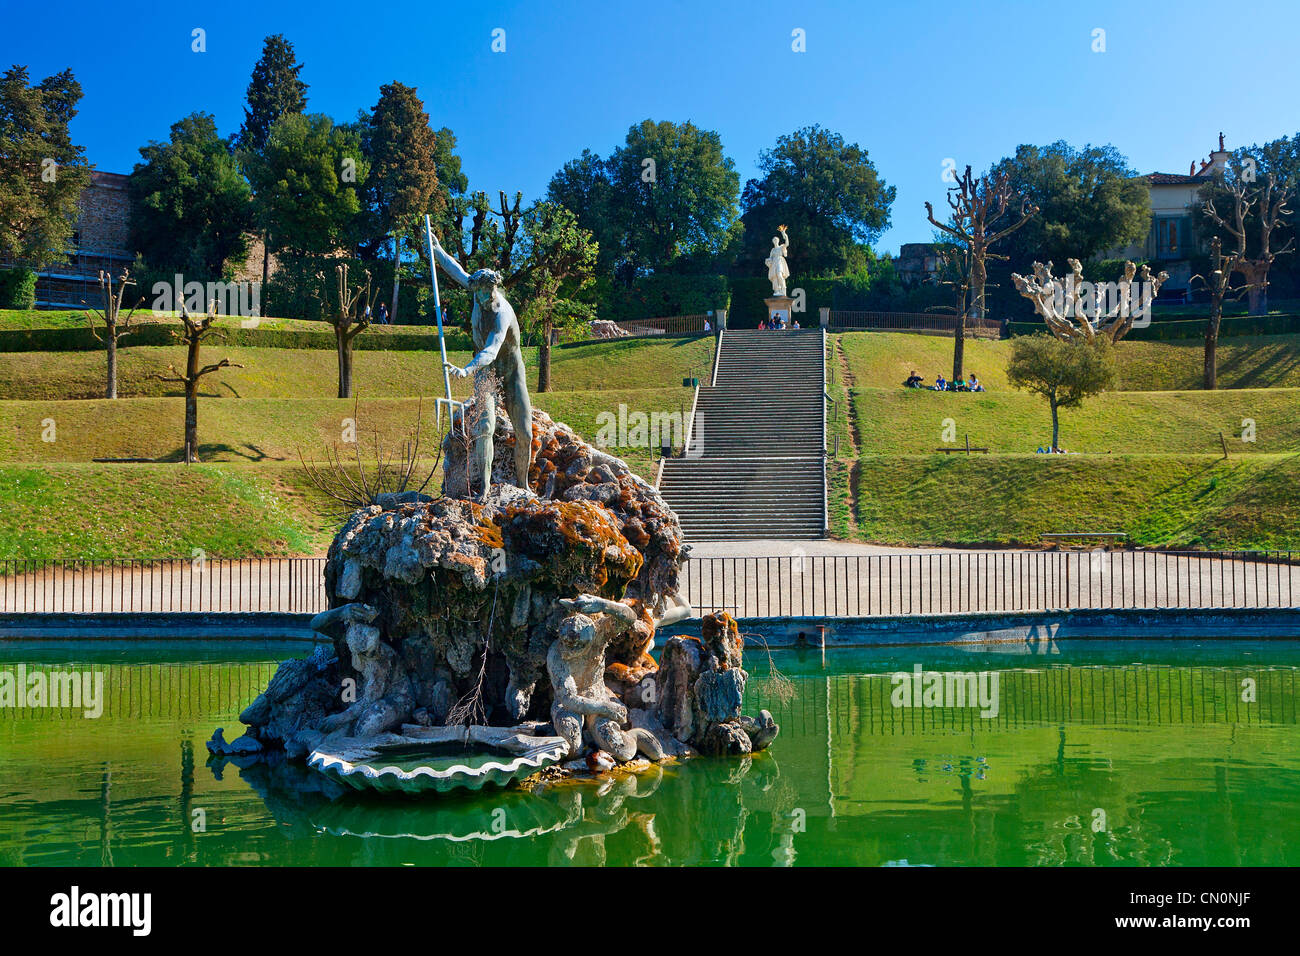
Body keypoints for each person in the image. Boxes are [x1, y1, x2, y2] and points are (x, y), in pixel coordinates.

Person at [428, 231, 533, 493]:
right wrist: (438, 250)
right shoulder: (477, 291)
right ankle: (484, 488)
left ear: (494, 289)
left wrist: (466, 369)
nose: (484, 300)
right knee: (485, 427)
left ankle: (523, 485)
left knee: (525, 433)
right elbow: (458, 271)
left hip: (509, 370)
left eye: (488, 294)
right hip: (486, 373)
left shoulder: (502, 312)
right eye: (480, 295)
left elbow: (491, 349)